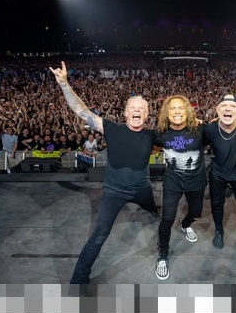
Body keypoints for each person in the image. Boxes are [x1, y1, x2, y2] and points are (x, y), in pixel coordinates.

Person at [49, 61, 159, 285]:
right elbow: (81, 111)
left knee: (151, 207)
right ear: (125, 112)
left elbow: (180, 140)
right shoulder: (111, 128)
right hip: (114, 192)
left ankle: (152, 210)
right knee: (100, 233)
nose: (137, 111)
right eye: (133, 108)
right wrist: (64, 84)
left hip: (142, 188)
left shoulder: (152, 136)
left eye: (141, 109)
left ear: (147, 114)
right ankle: (80, 276)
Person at [153, 95, 208, 280]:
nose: (177, 111)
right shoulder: (160, 133)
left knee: (196, 214)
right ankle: (162, 255)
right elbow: (151, 147)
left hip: (196, 181)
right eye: (172, 108)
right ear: (166, 113)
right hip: (173, 181)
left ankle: (185, 225)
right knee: (167, 219)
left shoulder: (200, 130)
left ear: (188, 111)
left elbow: (221, 130)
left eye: (180, 108)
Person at [202, 93, 236, 249]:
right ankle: (219, 231)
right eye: (223, 106)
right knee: (216, 204)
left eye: (232, 106)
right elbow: (200, 143)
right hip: (217, 174)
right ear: (217, 109)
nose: (227, 109)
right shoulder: (210, 128)